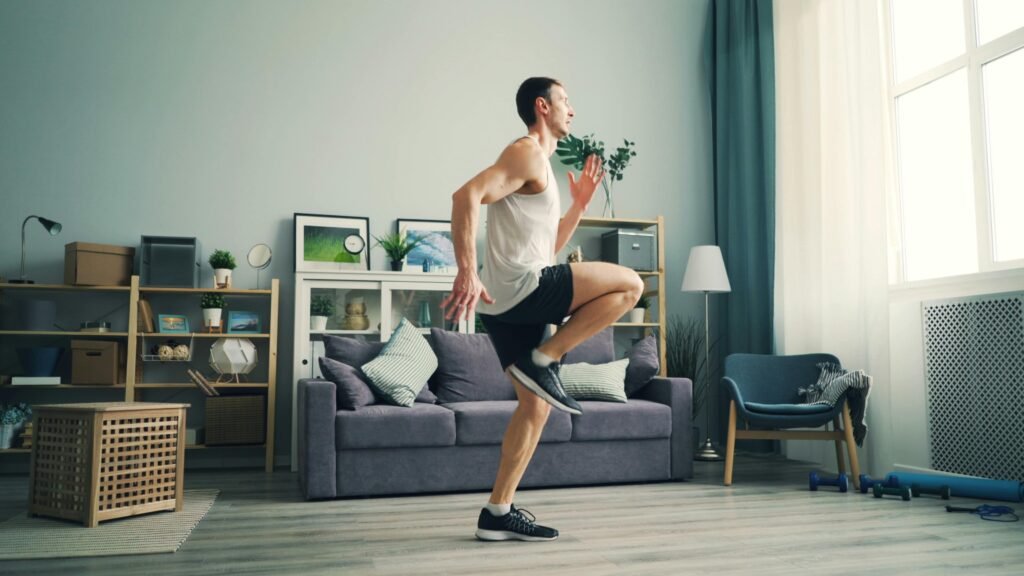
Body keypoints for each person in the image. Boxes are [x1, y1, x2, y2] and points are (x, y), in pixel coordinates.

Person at [443, 77, 645, 542]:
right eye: (565, 101)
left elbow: (547, 247)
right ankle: (546, 357)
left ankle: (497, 512)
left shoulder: (539, 167)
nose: (571, 110)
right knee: (631, 286)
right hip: (524, 289)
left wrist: (577, 206)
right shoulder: (526, 151)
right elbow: (465, 196)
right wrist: (467, 271)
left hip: (508, 305)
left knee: (534, 407)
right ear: (542, 106)